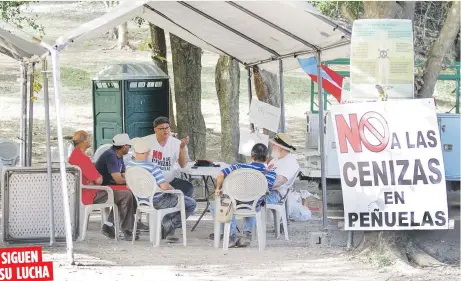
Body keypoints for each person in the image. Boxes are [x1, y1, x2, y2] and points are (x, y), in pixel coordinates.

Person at [68, 131, 137, 241]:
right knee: (126, 195)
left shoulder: (73, 155)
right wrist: (95, 177)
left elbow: (95, 177)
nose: (90, 140)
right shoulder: (83, 158)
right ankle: (125, 229)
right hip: (89, 193)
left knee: (125, 193)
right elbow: (99, 180)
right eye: (88, 138)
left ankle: (112, 225)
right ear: (83, 141)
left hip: (82, 191)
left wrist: (94, 176)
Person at [127, 137, 197, 242]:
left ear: (135, 151)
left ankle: (167, 224)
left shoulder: (129, 166)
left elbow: (128, 185)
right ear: (148, 151)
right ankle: (170, 224)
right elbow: (164, 187)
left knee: (178, 198)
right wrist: (173, 189)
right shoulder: (152, 167)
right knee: (191, 203)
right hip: (158, 201)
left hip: (141, 201)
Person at [211, 143, 277, 248]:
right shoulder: (271, 174)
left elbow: (221, 174)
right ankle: (247, 235)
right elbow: (267, 190)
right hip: (254, 205)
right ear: (267, 158)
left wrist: (218, 188)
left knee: (219, 204)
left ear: (251, 156)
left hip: (235, 203)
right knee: (254, 201)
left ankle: (230, 236)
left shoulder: (239, 167)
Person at [143, 116, 194, 198]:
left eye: (167, 128)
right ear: (155, 130)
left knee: (188, 188)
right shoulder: (146, 141)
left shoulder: (177, 143)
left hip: (170, 180)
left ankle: (179, 209)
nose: (165, 130)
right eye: (161, 128)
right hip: (152, 182)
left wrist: (182, 148)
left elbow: (183, 165)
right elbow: (138, 162)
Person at [267, 133, 300, 199]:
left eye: (274, 144)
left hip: (276, 194)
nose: (272, 146)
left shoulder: (290, 161)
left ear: (281, 147)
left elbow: (279, 181)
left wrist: (258, 186)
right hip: (266, 190)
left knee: (246, 199)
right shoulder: (275, 159)